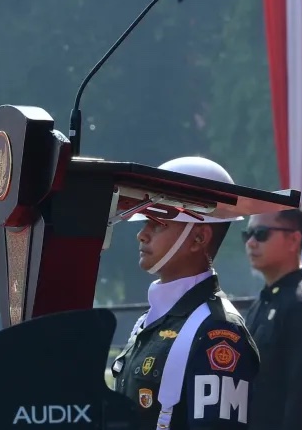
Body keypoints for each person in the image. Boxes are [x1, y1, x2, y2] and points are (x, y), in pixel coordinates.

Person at [110, 156, 260, 430]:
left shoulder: (219, 330)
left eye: (158, 223)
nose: (142, 235)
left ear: (199, 238)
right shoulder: (151, 321)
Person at [242, 207, 302, 430]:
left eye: (261, 234)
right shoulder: (262, 302)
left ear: (293, 240)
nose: (250, 243)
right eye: (246, 235)